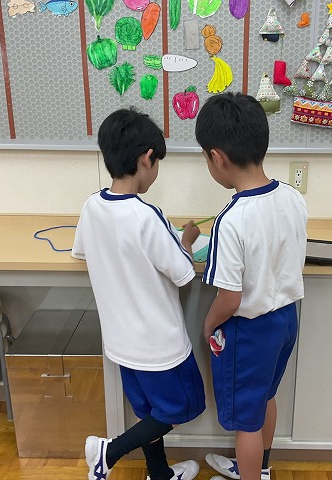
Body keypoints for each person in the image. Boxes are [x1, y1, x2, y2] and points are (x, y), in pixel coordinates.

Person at [72, 108, 206, 480]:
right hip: (159, 346)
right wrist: (186, 240)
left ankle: (159, 473)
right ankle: (109, 452)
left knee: (148, 412)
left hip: (121, 343)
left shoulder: (91, 206)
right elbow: (183, 274)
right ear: (147, 158)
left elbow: (81, 251)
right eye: (157, 162)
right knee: (183, 406)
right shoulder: (148, 216)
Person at [194, 93, 308, 480]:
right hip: (286, 321)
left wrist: (208, 325)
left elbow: (230, 298)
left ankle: (250, 472)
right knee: (265, 398)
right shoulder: (292, 197)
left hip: (249, 332)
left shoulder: (232, 219)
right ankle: (260, 469)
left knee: (246, 422)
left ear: (217, 157)